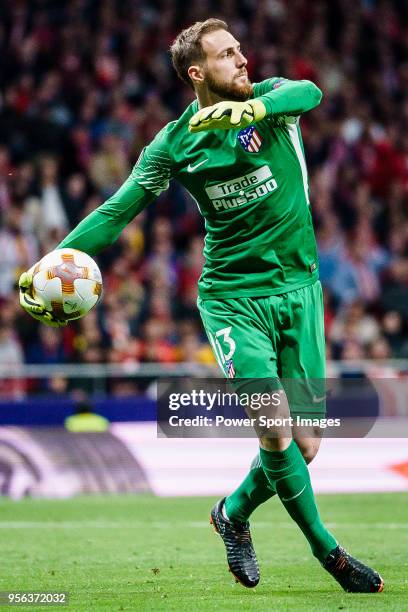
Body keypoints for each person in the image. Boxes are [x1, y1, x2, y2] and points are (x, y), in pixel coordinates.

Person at [19, 18, 383, 594]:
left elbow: (309, 92)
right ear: (198, 72)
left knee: (307, 446)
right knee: (274, 431)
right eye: (227, 55)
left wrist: (254, 112)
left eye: (240, 50)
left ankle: (232, 514)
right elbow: (116, 213)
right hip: (233, 299)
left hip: (300, 290)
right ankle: (331, 555)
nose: (243, 60)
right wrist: (54, 258)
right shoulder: (173, 142)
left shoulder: (270, 103)